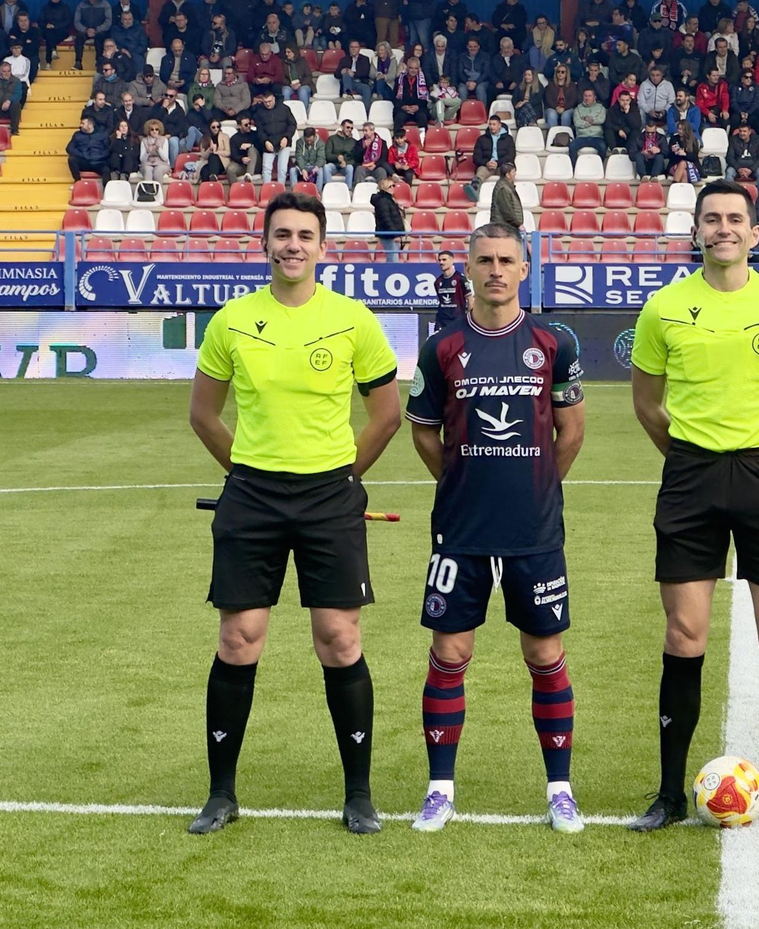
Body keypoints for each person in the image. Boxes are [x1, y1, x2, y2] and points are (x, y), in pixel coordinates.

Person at [186, 192, 403, 837]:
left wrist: (340, 478)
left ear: (323, 246)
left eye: (305, 235)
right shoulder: (230, 321)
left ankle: (358, 794)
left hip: (330, 497)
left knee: (339, 641)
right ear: (266, 242)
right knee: (238, 638)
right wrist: (248, 472)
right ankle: (220, 794)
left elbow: (386, 415)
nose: (293, 246)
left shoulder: (354, 320)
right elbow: (203, 414)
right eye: (282, 234)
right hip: (251, 496)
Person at [627, 179, 759, 835]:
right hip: (690, 477)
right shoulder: (663, 308)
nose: (723, 228)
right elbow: (646, 400)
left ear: (754, 232)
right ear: (696, 231)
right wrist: (691, 456)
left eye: (734, 219)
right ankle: (665, 793)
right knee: (684, 633)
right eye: (711, 219)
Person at [404, 221, 587, 832]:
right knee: (450, 651)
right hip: (461, 530)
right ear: (470, 266)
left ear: (524, 267)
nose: (495, 270)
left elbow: (572, 431)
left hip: (535, 531)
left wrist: (537, 486)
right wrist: (458, 477)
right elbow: (424, 431)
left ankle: (560, 790)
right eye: (484, 259)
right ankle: (440, 789)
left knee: (545, 653)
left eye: (507, 260)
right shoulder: (441, 346)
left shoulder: (554, 341)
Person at [370, 174, 404, 261]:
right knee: (392, 258)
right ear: (384, 187)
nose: (393, 188)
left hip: (391, 234)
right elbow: (386, 219)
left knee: (394, 257)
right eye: (390, 186)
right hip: (388, 235)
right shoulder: (383, 201)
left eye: (394, 185)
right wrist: (395, 234)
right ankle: (391, 273)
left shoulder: (389, 199)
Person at [431, 249, 468, 330]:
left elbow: (470, 300)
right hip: (441, 322)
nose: (441, 262)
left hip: (457, 321)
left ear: (452, 261)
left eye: (444, 260)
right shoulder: (437, 282)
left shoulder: (460, 279)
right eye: (439, 260)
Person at [63, 115, 105, 181]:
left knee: (106, 168)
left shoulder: (102, 134)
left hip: (97, 162)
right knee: (72, 159)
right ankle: (77, 181)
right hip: (83, 161)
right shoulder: (77, 135)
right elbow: (69, 148)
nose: (81, 125)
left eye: (83, 123)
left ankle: (106, 188)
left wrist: (98, 156)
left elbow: (108, 150)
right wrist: (82, 155)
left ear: (90, 125)